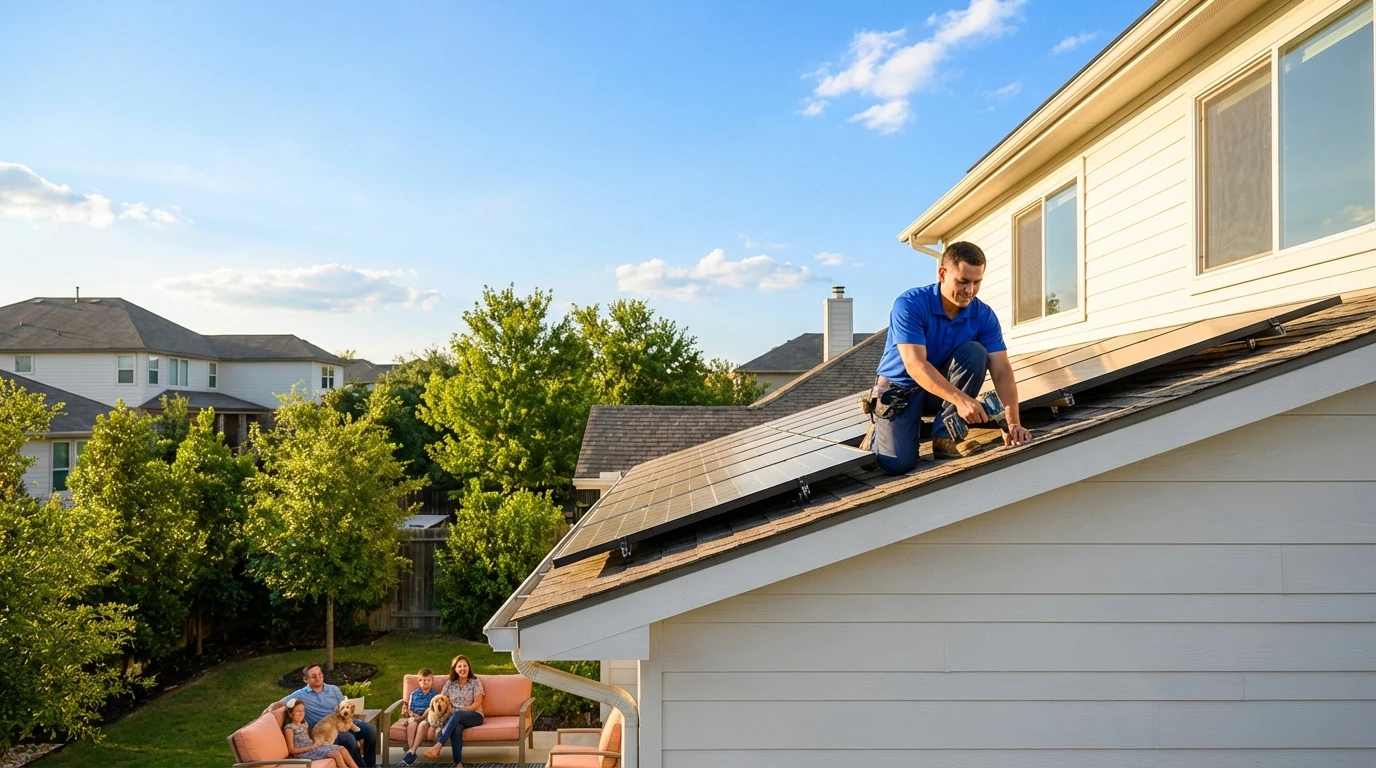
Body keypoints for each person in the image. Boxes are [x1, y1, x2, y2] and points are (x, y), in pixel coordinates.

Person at [871, 241, 1033, 475]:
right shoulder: (910, 304)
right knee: (897, 464)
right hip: (901, 390)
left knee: (975, 352)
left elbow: (1001, 371)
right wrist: (961, 400)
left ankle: (945, 437)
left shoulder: (983, 315)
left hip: (941, 392)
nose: (970, 290)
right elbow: (916, 365)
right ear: (942, 273)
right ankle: (879, 431)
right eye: (963, 281)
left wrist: (1012, 423)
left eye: (977, 282)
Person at [278, 664, 378, 768]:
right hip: (327, 731)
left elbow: (343, 707)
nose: (318, 677)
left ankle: (370, 765)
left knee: (371, 731)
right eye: (313, 676)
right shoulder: (300, 694)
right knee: (349, 739)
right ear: (305, 679)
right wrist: (270, 708)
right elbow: (280, 702)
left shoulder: (334, 689)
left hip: (344, 722)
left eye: (320, 674)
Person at [423, 655, 484, 768]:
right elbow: (441, 700)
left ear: (469, 667)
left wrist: (461, 710)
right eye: (459, 666)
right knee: (457, 727)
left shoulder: (475, 681)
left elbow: (477, 703)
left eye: (465, 666)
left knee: (457, 714)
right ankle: (458, 763)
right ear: (455, 669)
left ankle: (438, 745)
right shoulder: (450, 683)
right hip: (454, 718)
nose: (462, 668)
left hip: (474, 715)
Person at [281, 697, 358, 768]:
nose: (301, 713)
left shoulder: (304, 724)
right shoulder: (289, 728)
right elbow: (291, 750)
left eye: (303, 711)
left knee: (342, 749)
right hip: (303, 753)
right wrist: (310, 747)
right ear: (290, 714)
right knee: (336, 754)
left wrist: (316, 743)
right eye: (298, 711)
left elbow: (308, 737)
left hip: (313, 747)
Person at [400, 667, 440, 766]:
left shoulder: (435, 695)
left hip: (427, 718)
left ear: (432, 681)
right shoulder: (414, 694)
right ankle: (411, 751)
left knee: (422, 724)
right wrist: (412, 714)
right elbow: (409, 709)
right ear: (419, 681)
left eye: (428, 680)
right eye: (422, 680)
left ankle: (412, 751)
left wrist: (422, 717)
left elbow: (434, 709)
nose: (425, 682)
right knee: (412, 723)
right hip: (415, 716)